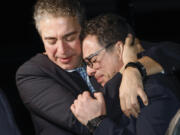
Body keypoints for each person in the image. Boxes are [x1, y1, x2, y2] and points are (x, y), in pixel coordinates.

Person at [16, 0, 180, 134]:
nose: (62, 50)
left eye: (70, 37)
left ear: (82, 31)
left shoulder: (97, 46)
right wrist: (127, 73)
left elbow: (170, 52)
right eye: (51, 41)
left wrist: (135, 68)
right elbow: (81, 118)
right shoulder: (31, 74)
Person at [70, 13, 180, 135]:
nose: (89, 71)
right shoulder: (103, 84)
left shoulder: (152, 92)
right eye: (86, 64)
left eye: (93, 60)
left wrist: (97, 123)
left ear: (119, 49)